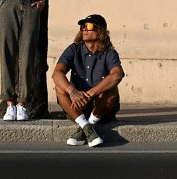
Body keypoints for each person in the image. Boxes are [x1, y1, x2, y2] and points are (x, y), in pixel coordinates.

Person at [52, 14, 124, 147]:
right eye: (83, 27)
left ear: (100, 31)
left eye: (89, 26)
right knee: (59, 87)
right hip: (76, 106)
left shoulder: (109, 53)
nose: (84, 29)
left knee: (112, 88)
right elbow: (56, 73)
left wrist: (89, 94)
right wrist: (72, 91)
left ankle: (87, 126)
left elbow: (117, 75)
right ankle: (86, 126)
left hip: (100, 108)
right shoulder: (74, 49)